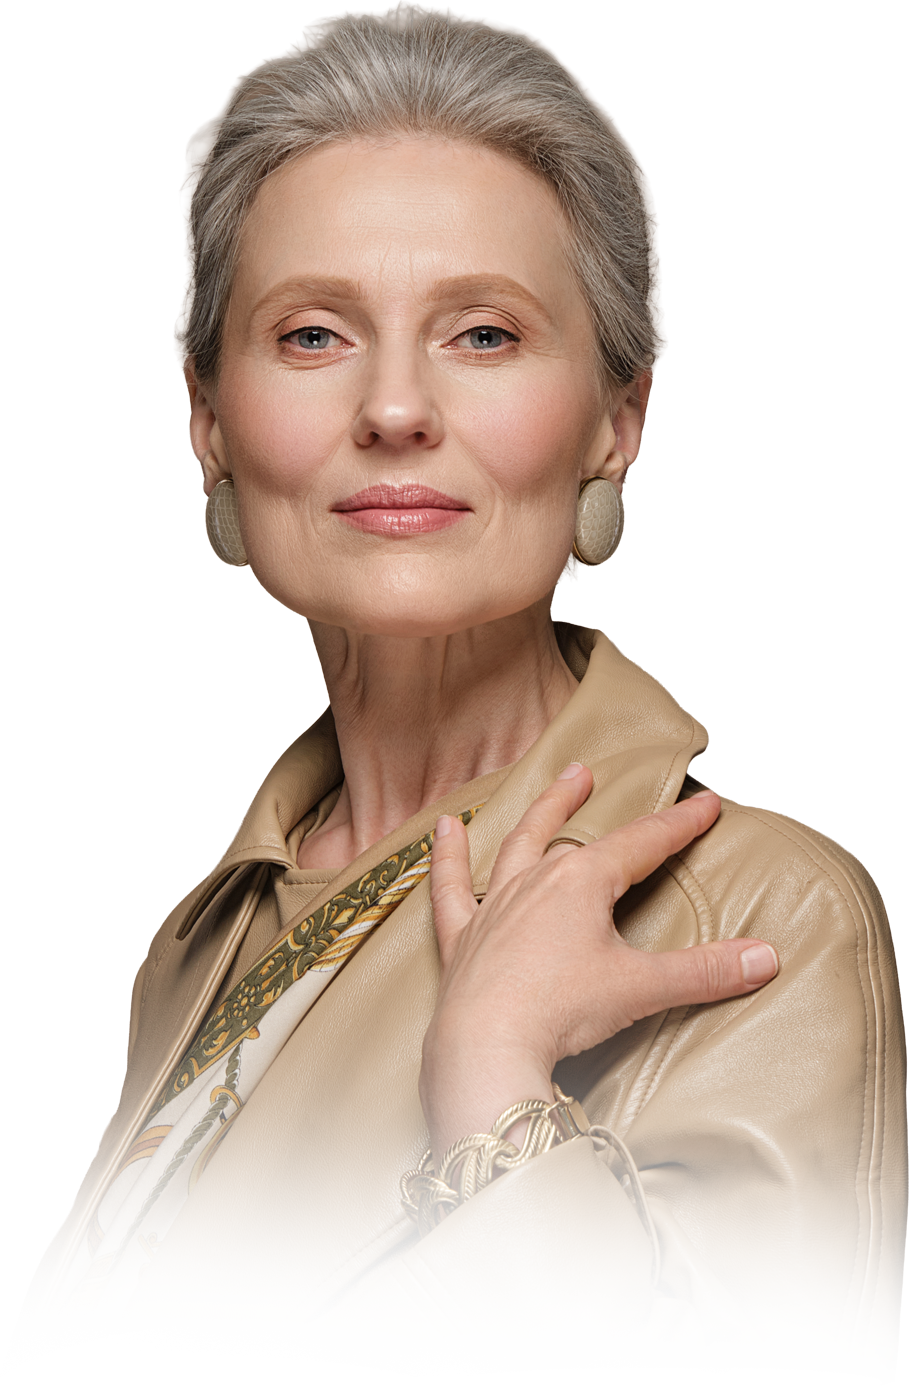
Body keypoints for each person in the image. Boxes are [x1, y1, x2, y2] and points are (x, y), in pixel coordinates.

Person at [5, 6, 905, 1383]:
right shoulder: (210, 916)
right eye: (313, 334)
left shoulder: (753, 915)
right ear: (213, 420)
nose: (394, 409)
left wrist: (493, 1101)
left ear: (615, 421)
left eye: (483, 334)